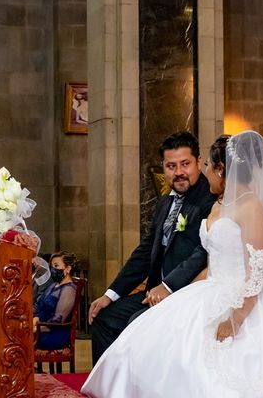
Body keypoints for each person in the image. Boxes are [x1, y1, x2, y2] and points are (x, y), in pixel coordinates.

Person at [82, 131, 263, 397]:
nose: (206, 171)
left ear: (222, 170)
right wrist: (182, 296)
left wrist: (234, 320)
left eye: (208, 165)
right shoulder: (218, 206)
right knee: (149, 340)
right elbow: (213, 261)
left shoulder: (253, 208)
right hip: (212, 287)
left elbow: (255, 271)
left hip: (246, 299)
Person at [87, 131, 216, 364]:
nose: (178, 172)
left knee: (136, 325)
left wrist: (168, 286)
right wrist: (110, 294)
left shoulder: (210, 200)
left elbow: (203, 252)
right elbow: (145, 252)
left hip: (186, 292)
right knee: (103, 319)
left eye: (185, 164)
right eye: (171, 166)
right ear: (163, 167)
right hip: (154, 293)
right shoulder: (165, 202)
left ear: (198, 162)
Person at [33, 251, 80, 351]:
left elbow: (58, 320)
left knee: (19, 339)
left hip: (54, 333)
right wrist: (34, 321)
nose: (52, 269)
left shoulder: (69, 290)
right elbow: (41, 309)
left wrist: (35, 329)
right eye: (51, 266)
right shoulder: (53, 285)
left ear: (67, 269)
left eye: (56, 266)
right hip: (42, 328)